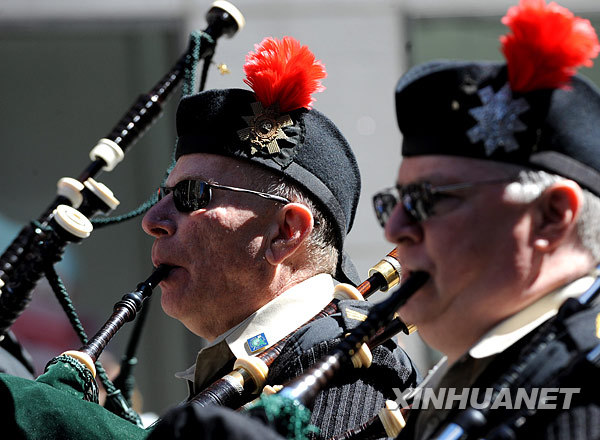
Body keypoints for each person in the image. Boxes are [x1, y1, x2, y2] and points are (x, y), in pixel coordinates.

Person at [141, 36, 418, 438]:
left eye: (191, 195)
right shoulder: (254, 363)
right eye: (163, 196)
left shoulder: (352, 369)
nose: (153, 220)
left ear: (286, 232)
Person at [371, 0, 600, 438]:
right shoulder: (484, 371)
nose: (394, 228)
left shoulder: (584, 390)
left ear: (551, 217)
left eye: (427, 199)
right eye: (395, 201)